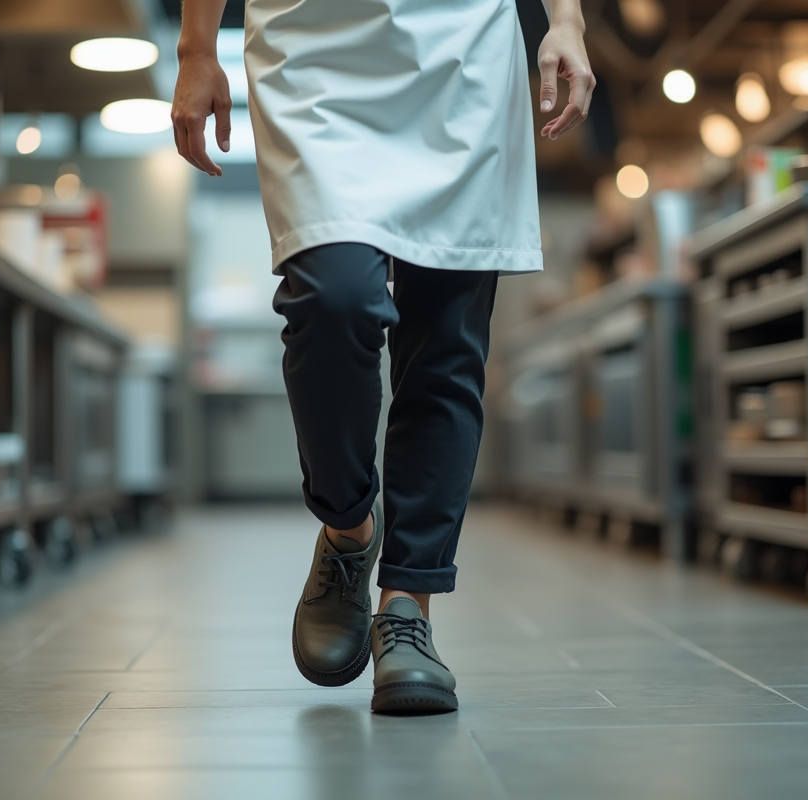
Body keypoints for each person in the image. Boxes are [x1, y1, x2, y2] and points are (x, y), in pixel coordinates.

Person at [172, 0, 594, 714]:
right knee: (332, 301)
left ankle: (408, 609)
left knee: (446, 347)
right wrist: (194, 49)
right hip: (312, 52)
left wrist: (568, 20)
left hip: (460, 53)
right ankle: (348, 528)